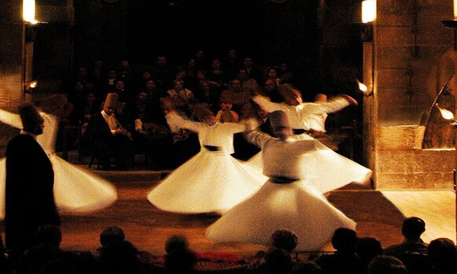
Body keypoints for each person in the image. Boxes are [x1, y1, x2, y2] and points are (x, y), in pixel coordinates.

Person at [205, 111, 356, 251]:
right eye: (277, 129)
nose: (280, 132)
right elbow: (252, 135)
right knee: (255, 214)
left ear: (289, 128)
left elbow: (322, 145)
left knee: (315, 214)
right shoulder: (267, 142)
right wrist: (250, 122)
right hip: (272, 186)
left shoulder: (301, 144)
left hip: (296, 187)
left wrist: (332, 138)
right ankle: (276, 240)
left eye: (283, 128)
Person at [0, 103, 118, 225]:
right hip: (48, 157)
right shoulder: (50, 120)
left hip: (38, 160)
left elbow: (10, 118)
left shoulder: (28, 134)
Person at [147, 104, 268, 214]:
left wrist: (250, 117)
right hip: (205, 156)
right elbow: (184, 123)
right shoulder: (201, 126)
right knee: (203, 181)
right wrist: (171, 114)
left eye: (209, 117)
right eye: (205, 118)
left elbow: (244, 127)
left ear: (214, 117)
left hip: (221, 157)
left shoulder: (226, 127)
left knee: (221, 182)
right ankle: (205, 205)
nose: (207, 120)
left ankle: (218, 205)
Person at [5, 103, 61, 258]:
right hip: (31, 211)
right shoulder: (28, 146)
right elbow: (37, 183)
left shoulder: (18, 144)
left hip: (21, 209)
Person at [80, 92, 134, 170]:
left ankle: (121, 163)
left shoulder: (117, 116)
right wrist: (115, 132)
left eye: (112, 109)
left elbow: (124, 126)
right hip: (100, 139)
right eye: (108, 108)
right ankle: (105, 164)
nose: (110, 110)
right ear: (104, 107)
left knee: (123, 142)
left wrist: (126, 132)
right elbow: (97, 132)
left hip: (113, 139)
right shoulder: (96, 117)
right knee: (102, 145)